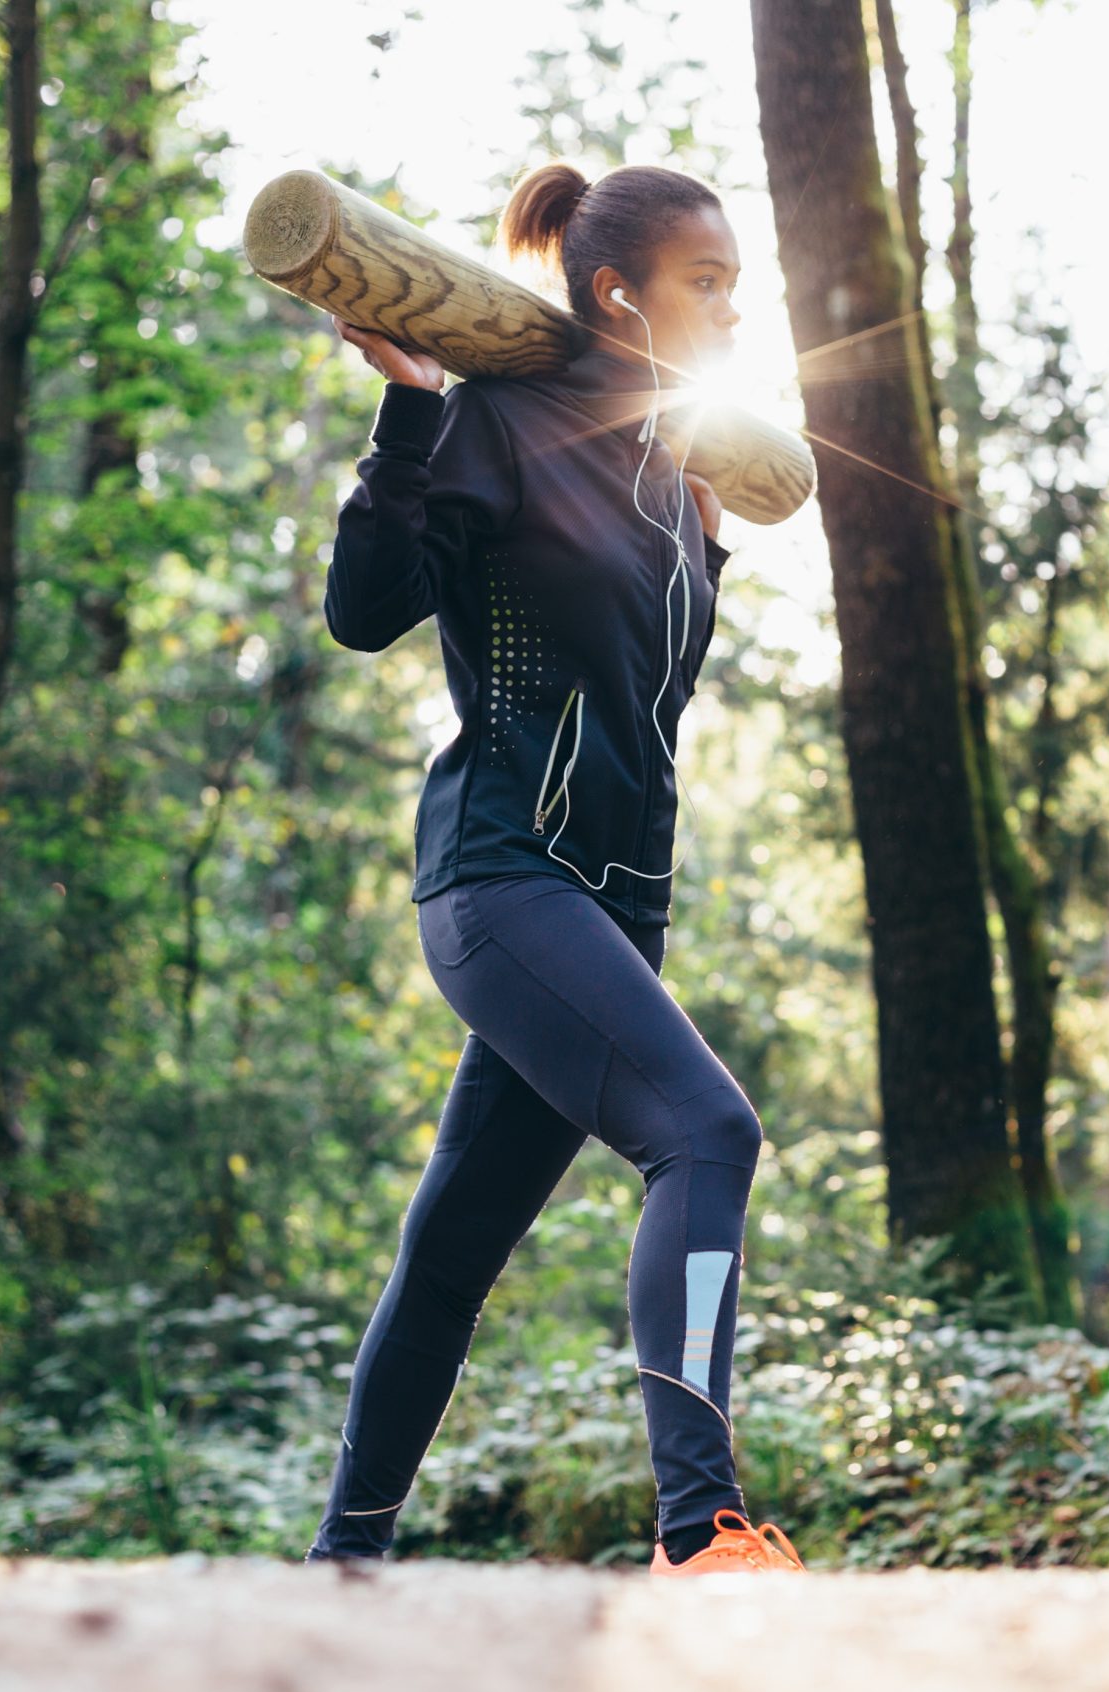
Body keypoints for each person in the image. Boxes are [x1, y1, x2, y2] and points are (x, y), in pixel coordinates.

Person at [301, 159, 803, 1577]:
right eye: (708, 283)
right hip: (503, 877)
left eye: (738, 286)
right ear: (616, 290)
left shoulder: (670, 465)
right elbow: (364, 610)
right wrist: (408, 405)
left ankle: (344, 1564)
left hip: (614, 910)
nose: (731, 309)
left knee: (454, 1249)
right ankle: (701, 1530)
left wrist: (707, 556)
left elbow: (650, 703)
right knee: (708, 1134)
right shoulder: (501, 418)